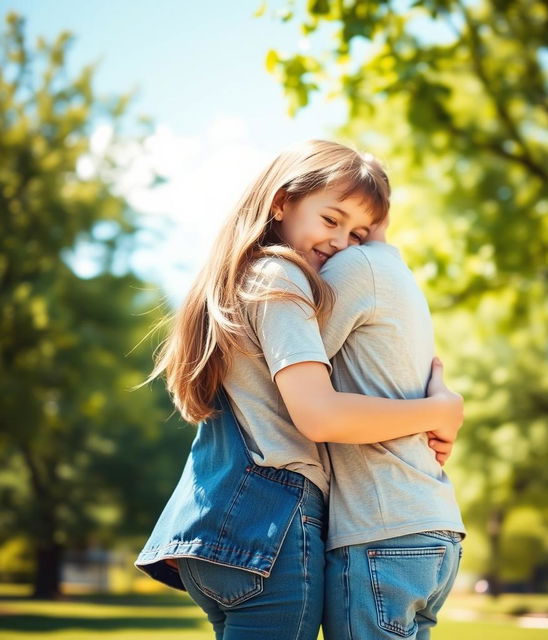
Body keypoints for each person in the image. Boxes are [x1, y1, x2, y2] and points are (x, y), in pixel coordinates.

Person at [134, 140, 463, 640]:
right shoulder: (281, 276)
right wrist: (437, 409)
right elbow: (319, 415)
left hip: (217, 513)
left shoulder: (241, 280)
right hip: (274, 519)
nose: (342, 243)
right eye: (330, 220)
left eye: (357, 233)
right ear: (282, 201)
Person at [316, 217, 466, 640]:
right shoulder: (401, 277)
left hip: (381, 530)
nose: (336, 239)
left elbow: (295, 362)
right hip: (433, 527)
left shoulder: (353, 267)